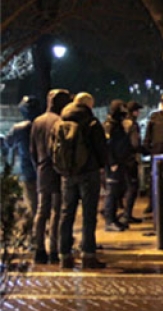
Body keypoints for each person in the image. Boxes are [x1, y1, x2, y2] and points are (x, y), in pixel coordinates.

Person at [57, 92, 108, 270]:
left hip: (67, 173)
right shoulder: (92, 123)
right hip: (89, 172)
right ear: (88, 104)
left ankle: (64, 255)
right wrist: (102, 166)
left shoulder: (61, 121)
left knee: (66, 214)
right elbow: (102, 148)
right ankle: (88, 254)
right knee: (88, 215)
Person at [29, 89, 72, 264]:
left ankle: (39, 248)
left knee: (41, 210)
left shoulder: (37, 121)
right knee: (56, 211)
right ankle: (54, 249)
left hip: (41, 169)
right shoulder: (59, 121)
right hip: (56, 170)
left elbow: (32, 149)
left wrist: (38, 166)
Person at [5, 96, 40, 221]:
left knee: (33, 204)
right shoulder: (44, 124)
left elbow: (8, 143)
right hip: (46, 171)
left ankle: (37, 232)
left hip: (28, 171)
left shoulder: (19, 128)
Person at [103, 100, 131, 232]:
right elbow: (107, 145)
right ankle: (109, 220)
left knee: (118, 190)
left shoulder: (118, 125)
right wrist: (112, 162)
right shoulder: (111, 125)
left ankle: (113, 218)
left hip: (120, 161)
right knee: (112, 192)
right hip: (114, 164)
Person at [120, 101, 144, 225]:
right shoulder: (133, 125)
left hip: (121, 160)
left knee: (124, 187)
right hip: (130, 160)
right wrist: (143, 149)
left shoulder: (122, 123)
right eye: (137, 110)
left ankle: (122, 213)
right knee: (133, 187)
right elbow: (135, 143)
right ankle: (127, 214)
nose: (139, 113)